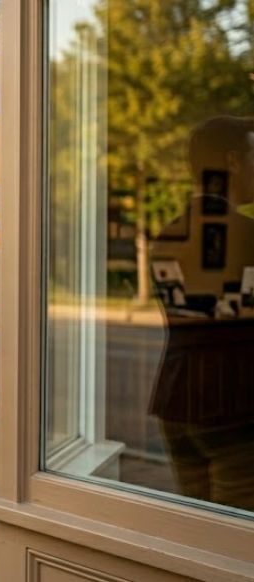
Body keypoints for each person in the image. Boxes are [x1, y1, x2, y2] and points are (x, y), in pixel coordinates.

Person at [148, 115, 254, 511]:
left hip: (177, 400)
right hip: (234, 410)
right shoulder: (245, 235)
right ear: (233, 161)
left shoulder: (169, 234)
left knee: (195, 530)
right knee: (234, 544)